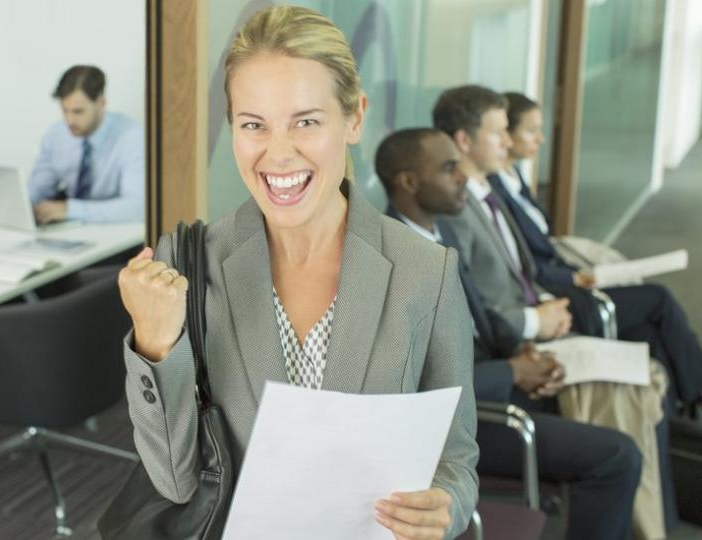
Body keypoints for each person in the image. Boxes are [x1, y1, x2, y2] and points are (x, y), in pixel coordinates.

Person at [117, 7, 477, 538]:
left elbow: (457, 457)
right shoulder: (187, 267)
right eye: (253, 125)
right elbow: (175, 483)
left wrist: (446, 503)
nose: (278, 154)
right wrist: (153, 344)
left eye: (306, 121)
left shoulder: (427, 271)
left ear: (354, 118)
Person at [376, 127, 660, 539]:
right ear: (408, 181)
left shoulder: (444, 233)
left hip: (496, 378)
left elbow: (482, 317)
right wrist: (512, 371)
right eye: (450, 168)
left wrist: (522, 350)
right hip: (467, 422)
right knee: (618, 457)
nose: (463, 178)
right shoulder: (393, 260)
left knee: (629, 388)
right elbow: (418, 384)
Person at [495, 91, 702, 416]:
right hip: (558, 292)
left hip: (567, 274)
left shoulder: (513, 177)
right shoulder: (492, 191)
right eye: (531, 130)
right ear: (504, 135)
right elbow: (527, 264)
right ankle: (694, 396)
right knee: (658, 300)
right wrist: (574, 276)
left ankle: (674, 411)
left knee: (648, 333)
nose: (541, 139)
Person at [431, 85, 574, 346]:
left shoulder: (490, 190)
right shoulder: (453, 210)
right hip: (509, 344)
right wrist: (535, 321)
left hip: (538, 322)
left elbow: (521, 274)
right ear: (464, 141)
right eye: (499, 134)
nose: (508, 143)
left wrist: (546, 306)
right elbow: (468, 305)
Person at [28, 65, 144, 224]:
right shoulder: (56, 134)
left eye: (78, 112)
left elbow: (137, 208)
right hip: (69, 231)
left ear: (101, 102)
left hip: (114, 232)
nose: (69, 121)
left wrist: (70, 210)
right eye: (64, 110)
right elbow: (36, 192)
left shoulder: (131, 137)